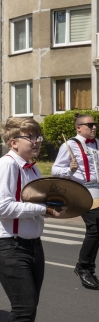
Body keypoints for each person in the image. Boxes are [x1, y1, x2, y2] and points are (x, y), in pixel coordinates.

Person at [0, 117, 67, 322]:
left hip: (32, 244)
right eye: (30, 137)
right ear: (13, 142)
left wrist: (56, 206)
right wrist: (44, 209)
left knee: (28, 307)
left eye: (37, 136)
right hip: (8, 245)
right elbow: (2, 207)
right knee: (24, 308)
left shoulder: (32, 169)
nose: (37, 141)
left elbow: (34, 205)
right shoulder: (7, 165)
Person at [52, 113, 99, 289]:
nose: (94, 127)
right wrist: (69, 170)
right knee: (94, 226)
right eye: (90, 125)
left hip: (97, 189)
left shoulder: (97, 144)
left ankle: (86, 267)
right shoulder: (70, 145)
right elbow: (55, 169)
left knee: (97, 228)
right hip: (80, 191)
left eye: (95, 125)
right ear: (79, 128)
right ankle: (84, 267)